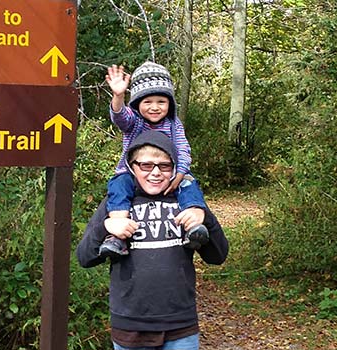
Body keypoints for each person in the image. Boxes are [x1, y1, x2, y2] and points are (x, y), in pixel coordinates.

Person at [77, 130, 229, 350]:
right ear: (132, 167)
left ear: (174, 168)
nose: (156, 173)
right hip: (130, 326)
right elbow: (84, 258)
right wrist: (105, 227)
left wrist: (205, 217)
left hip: (181, 326)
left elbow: (218, 256)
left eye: (164, 166)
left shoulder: (187, 201)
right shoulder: (117, 205)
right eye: (146, 166)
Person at [100, 62, 209, 257]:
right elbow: (120, 117)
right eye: (148, 102)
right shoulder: (134, 121)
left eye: (161, 101)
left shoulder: (173, 124)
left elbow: (183, 149)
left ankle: (193, 226)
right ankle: (117, 235)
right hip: (133, 172)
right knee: (118, 186)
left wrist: (180, 172)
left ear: (170, 104)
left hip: (170, 172)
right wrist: (118, 96)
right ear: (137, 103)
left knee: (190, 184)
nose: (155, 107)